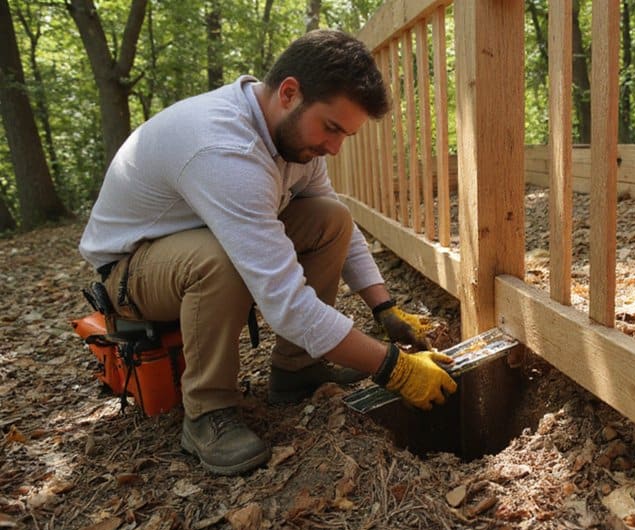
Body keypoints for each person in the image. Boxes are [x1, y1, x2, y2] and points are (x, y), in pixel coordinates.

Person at [78, 29, 457, 476]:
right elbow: (287, 303)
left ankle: (297, 371)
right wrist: (395, 368)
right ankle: (206, 412)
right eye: (332, 128)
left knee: (330, 217)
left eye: (344, 135)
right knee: (218, 260)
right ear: (290, 92)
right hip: (130, 268)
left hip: (197, 237)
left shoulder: (293, 139)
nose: (334, 147)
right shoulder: (225, 151)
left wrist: (385, 307)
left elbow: (337, 225)